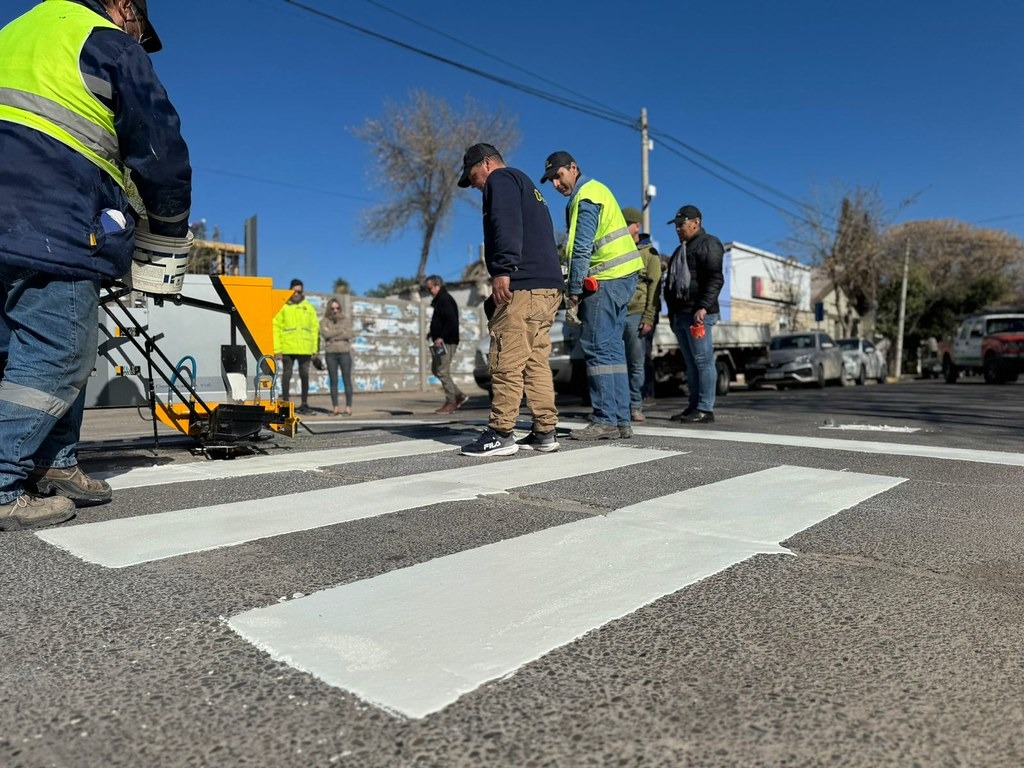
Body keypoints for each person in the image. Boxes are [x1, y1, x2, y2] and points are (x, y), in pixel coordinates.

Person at [0, 0, 191, 531]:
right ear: (124, 6)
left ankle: (54, 462)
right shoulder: (103, 38)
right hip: (49, 218)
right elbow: (159, 148)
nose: (136, 37)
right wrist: (168, 232)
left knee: (15, 353)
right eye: (140, 29)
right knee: (61, 351)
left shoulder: (16, 32)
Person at [457, 143, 564, 457]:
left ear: (487, 163)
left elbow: (505, 223)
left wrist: (503, 269)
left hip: (523, 285)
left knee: (506, 359)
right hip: (547, 287)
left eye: (473, 175)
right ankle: (545, 431)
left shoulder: (500, 181)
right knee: (535, 362)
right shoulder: (527, 185)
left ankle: (501, 432)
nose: (474, 184)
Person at [540, 151, 642, 440]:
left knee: (597, 347)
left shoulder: (587, 194)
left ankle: (605, 418)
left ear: (573, 168)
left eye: (559, 176)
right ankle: (621, 419)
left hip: (605, 279)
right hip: (621, 278)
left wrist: (573, 292)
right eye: (552, 181)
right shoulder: (596, 190)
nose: (556, 184)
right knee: (612, 351)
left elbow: (583, 247)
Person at [664, 205, 725, 424]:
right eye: (676, 225)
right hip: (681, 314)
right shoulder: (682, 249)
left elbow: (715, 279)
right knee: (690, 364)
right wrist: (672, 314)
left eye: (682, 224)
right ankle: (693, 407)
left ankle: (705, 409)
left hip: (699, 314)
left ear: (696, 222)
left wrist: (703, 307)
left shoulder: (708, 243)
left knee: (703, 361)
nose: (678, 229)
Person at [620, 207, 662, 423]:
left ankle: (635, 406)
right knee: (618, 363)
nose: (623, 227)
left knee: (636, 363)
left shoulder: (650, 254)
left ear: (637, 226)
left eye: (626, 223)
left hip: (637, 315)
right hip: (618, 314)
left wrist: (648, 317)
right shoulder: (618, 249)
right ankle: (618, 406)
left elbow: (655, 287)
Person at [273, 279, 319, 414]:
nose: (297, 294)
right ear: (290, 290)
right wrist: (277, 349)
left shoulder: (308, 307)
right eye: (294, 291)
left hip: (305, 348)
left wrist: (314, 349)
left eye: (299, 291)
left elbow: (315, 328)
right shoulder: (283, 306)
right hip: (287, 348)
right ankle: (285, 404)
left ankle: (304, 404)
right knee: (287, 375)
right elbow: (276, 327)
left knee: (305, 375)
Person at [424, 275, 468, 415]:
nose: (428, 291)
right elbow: (440, 321)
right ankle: (459, 395)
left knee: (442, 371)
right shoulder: (439, 301)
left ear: (437, 286)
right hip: (441, 340)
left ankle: (451, 402)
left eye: (429, 288)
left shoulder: (445, 300)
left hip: (447, 341)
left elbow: (451, 322)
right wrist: (432, 334)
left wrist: (441, 336)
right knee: (436, 370)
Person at [320, 296, 354, 416]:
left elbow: (349, 334)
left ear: (340, 308)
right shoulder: (324, 321)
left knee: (346, 380)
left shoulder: (346, 320)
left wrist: (332, 335)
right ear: (329, 309)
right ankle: (335, 407)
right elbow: (325, 334)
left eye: (337, 308)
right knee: (333, 381)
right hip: (331, 353)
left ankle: (348, 407)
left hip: (344, 352)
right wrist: (340, 332)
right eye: (333, 308)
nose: (335, 310)